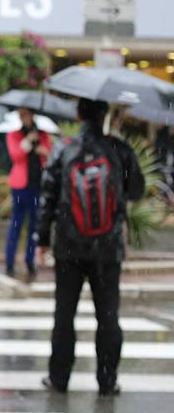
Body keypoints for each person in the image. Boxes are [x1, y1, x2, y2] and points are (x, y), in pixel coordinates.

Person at [36, 98, 144, 397]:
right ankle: (107, 381)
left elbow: (47, 198)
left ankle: (59, 378)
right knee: (108, 316)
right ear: (105, 114)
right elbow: (137, 190)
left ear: (78, 114)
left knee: (64, 315)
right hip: (108, 248)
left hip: (68, 246)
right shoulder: (118, 150)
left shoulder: (64, 148)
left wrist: (42, 240)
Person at [4, 107, 52, 280]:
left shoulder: (43, 134)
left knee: (34, 227)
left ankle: (30, 260)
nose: (23, 117)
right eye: (21, 115)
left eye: (26, 114)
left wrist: (38, 145)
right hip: (20, 185)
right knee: (16, 224)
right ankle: (9, 261)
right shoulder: (14, 134)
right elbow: (15, 155)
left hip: (37, 185)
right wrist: (27, 141)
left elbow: (48, 154)